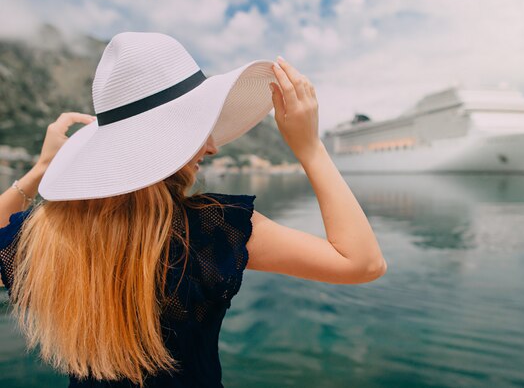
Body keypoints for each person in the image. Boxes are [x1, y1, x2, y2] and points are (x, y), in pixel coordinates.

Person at [0, 32, 386, 388]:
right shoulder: (209, 230)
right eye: (196, 128)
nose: (212, 147)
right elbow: (362, 263)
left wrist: (39, 172)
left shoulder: (44, 235)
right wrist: (311, 149)